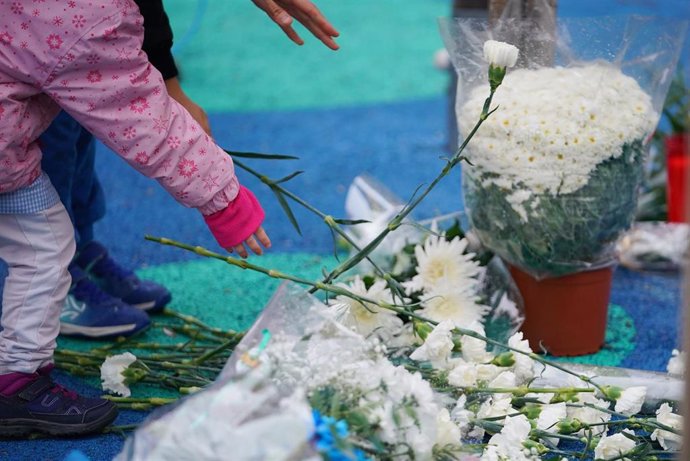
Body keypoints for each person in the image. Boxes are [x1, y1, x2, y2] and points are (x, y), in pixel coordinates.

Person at [0, 0, 338, 438]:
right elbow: (139, 115)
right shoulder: (78, 18)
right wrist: (223, 199)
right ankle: (15, 381)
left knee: (64, 157)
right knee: (43, 246)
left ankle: (75, 271)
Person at [41, 0, 213, 340]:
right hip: (38, 42)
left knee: (76, 134)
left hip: (74, 38)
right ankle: (52, 283)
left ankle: (80, 250)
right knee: (46, 152)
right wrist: (169, 86)